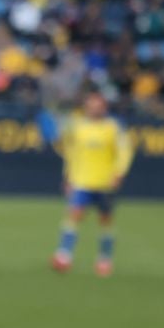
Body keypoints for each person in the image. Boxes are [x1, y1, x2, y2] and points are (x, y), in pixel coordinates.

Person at [52, 92, 134, 275]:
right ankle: (64, 256)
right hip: (82, 180)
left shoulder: (112, 128)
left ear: (104, 107)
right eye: (90, 106)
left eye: (98, 106)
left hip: (105, 181)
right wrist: (68, 178)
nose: (94, 109)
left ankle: (104, 259)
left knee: (105, 220)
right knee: (74, 215)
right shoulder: (78, 127)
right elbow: (72, 155)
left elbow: (124, 151)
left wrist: (119, 173)